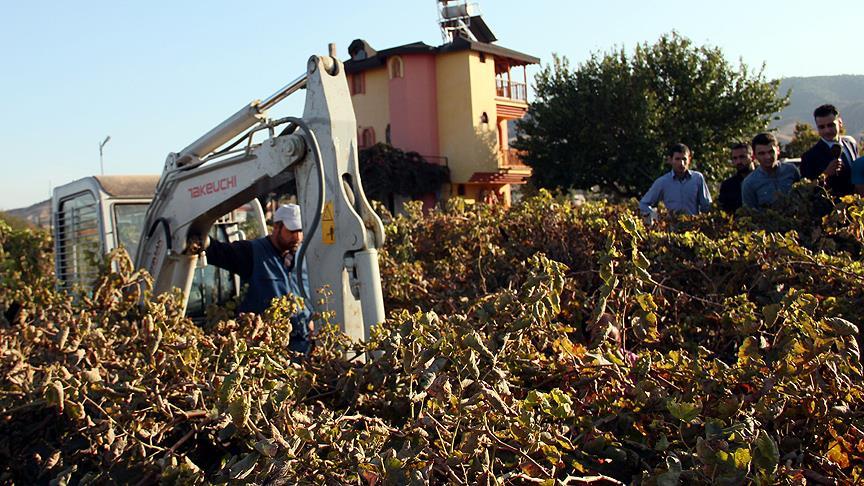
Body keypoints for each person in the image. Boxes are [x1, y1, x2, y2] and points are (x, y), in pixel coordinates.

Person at [206, 203, 313, 352]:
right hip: (266, 349)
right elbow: (218, 252)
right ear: (276, 227)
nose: (298, 237)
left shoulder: (304, 256)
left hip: (302, 344)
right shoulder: (252, 253)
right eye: (292, 231)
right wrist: (200, 239)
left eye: (301, 231)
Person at [639, 143, 712, 217]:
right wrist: (656, 217)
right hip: (672, 226)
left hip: (693, 226)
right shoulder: (663, 182)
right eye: (677, 159)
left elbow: (706, 205)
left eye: (684, 159)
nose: (681, 163)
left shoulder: (697, 178)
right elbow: (643, 204)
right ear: (670, 160)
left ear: (689, 160)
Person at [800, 104, 859, 197]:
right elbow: (807, 190)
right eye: (821, 127)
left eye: (831, 125)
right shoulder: (809, 157)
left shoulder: (851, 144)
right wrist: (826, 174)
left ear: (840, 123)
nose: (827, 130)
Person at [741, 133, 801, 209]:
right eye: (762, 153)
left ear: (778, 150)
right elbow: (749, 212)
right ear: (754, 156)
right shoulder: (749, 183)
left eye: (771, 152)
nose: (767, 157)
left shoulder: (791, 170)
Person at [717, 143, 755, 212]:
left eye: (742, 157)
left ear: (752, 157)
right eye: (735, 158)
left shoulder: (763, 179)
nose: (738, 161)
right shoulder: (728, 186)